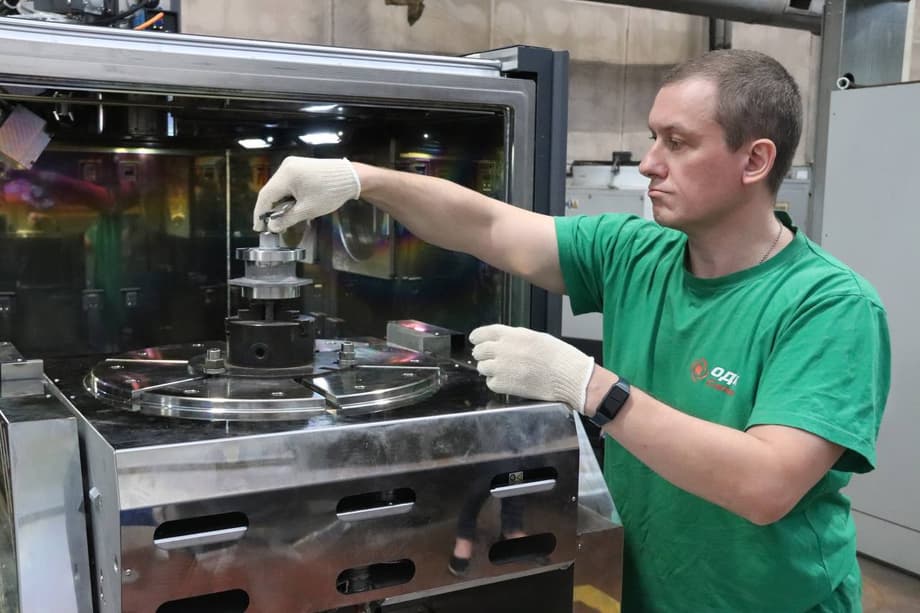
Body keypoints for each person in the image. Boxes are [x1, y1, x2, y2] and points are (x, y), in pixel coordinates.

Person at [253, 49, 890, 612]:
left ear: (755, 160)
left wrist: (590, 388)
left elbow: (765, 485)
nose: (649, 164)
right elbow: (488, 226)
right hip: (640, 591)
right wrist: (359, 180)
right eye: (653, 138)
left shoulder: (828, 306)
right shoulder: (637, 253)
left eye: (678, 142)